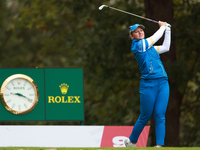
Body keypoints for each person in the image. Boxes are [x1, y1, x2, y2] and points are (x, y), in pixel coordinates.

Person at [124, 21, 171, 147]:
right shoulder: (138, 46)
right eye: (136, 31)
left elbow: (166, 47)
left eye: (141, 30)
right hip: (148, 85)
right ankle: (132, 142)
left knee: (160, 114)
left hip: (162, 83)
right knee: (145, 115)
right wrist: (162, 27)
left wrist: (168, 31)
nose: (140, 32)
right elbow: (152, 39)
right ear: (132, 36)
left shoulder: (150, 47)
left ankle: (159, 145)